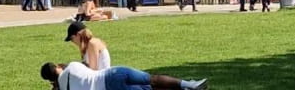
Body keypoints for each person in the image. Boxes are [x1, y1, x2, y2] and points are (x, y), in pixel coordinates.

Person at [40, 62, 207, 90]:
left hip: (109, 87)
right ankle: (189, 84)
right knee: (152, 79)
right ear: (57, 66)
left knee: (149, 88)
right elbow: (88, 67)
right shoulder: (73, 66)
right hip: (115, 71)